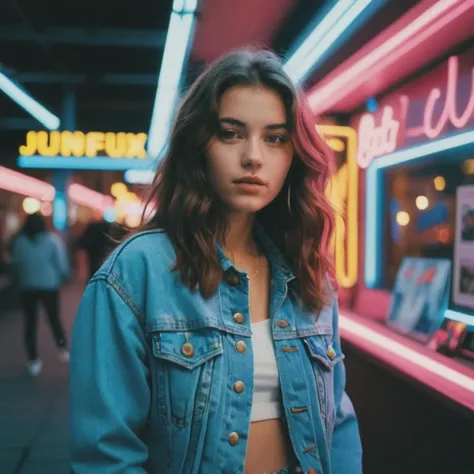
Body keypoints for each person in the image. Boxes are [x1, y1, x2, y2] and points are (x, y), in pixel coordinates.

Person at [69, 49, 362, 474]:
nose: (254, 157)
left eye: (275, 138)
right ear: (198, 145)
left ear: (293, 155)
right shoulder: (135, 274)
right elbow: (106, 453)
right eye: (231, 133)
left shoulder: (306, 274)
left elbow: (337, 421)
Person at [11, 213, 70, 376]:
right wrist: (64, 276)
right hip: (49, 285)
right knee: (53, 317)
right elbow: (61, 262)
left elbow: (16, 263)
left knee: (30, 322)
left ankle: (33, 360)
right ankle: (62, 348)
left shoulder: (21, 241)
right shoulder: (52, 240)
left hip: (27, 286)